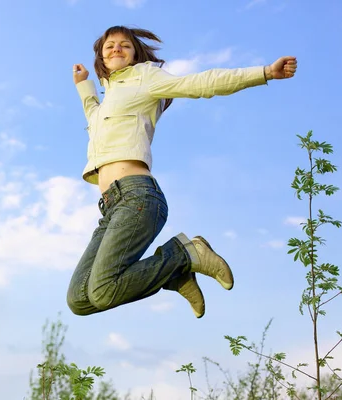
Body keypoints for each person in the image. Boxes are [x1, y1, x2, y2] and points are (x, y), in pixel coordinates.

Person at [66, 26, 297, 318]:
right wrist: (83, 84)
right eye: (110, 45)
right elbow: (92, 112)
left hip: (137, 197)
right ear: (101, 55)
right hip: (111, 207)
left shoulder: (145, 79)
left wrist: (264, 72)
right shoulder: (106, 103)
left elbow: (201, 83)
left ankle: (185, 254)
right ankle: (174, 273)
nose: (117, 49)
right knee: (80, 299)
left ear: (136, 53)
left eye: (125, 45)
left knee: (101, 290)